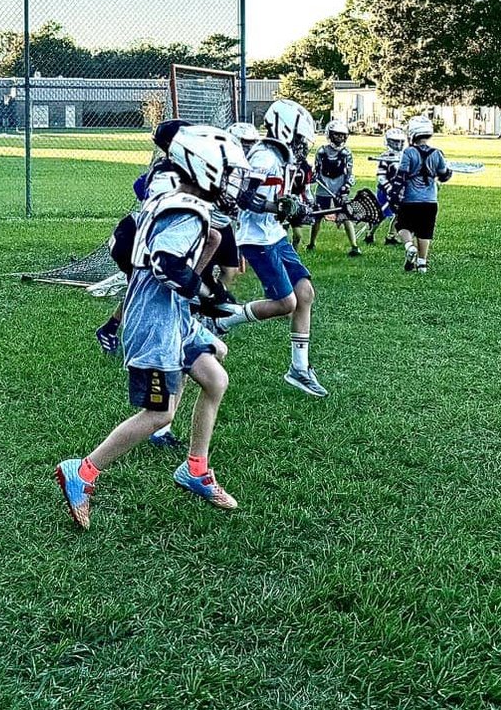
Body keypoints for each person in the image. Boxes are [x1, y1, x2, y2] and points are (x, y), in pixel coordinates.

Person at [55, 127, 251, 528]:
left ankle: (195, 470)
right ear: (205, 168)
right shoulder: (186, 211)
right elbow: (166, 264)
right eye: (230, 172)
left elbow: (204, 241)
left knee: (215, 378)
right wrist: (205, 294)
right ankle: (83, 471)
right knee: (160, 414)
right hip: (155, 322)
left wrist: (208, 279)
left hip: (173, 315)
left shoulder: (179, 199)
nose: (234, 182)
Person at [215, 99, 328, 398]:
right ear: (285, 130)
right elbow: (242, 198)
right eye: (300, 138)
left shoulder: (282, 158)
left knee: (305, 293)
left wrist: (298, 212)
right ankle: (223, 320)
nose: (302, 145)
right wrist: (278, 207)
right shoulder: (264, 157)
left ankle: (299, 369)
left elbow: (282, 202)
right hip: (256, 239)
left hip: (274, 234)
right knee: (285, 303)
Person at [94, 118, 191, 355]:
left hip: (135, 234)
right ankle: (144, 347)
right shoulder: (171, 172)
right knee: (148, 293)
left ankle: (111, 329)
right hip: (133, 239)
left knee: (142, 289)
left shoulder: (164, 167)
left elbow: (139, 188)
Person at [391, 115, 452, 273]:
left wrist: (394, 195)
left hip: (410, 200)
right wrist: (448, 171)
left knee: (402, 225)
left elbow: (401, 176)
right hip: (430, 201)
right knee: (425, 231)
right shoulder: (437, 153)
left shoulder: (409, 152)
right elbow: (444, 175)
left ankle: (409, 246)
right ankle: (422, 263)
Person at [308, 120, 360, 257]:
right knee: (317, 217)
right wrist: (313, 177)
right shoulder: (321, 151)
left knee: (346, 216)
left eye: (342, 135)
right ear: (329, 135)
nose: (339, 138)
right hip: (323, 189)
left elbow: (350, 173)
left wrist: (345, 187)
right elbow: (317, 170)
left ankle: (354, 246)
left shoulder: (346, 153)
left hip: (340, 190)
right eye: (336, 135)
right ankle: (312, 243)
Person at [365, 127, 406, 245]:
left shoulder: (404, 156)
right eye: (395, 142)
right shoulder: (385, 157)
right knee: (381, 214)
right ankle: (370, 234)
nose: (398, 144)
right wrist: (388, 188)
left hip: (399, 190)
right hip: (385, 190)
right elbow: (381, 176)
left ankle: (391, 236)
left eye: (400, 142)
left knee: (400, 214)